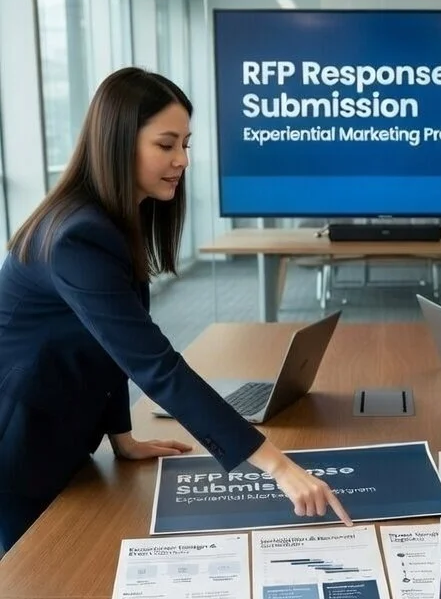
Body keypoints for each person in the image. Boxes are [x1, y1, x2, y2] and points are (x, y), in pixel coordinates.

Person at [0, 67, 350, 552]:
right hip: (19, 449)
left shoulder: (114, 217)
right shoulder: (78, 235)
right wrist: (278, 466)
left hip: (63, 432)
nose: (182, 160)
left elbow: (110, 346)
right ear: (118, 142)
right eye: (166, 145)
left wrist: (122, 436)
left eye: (186, 143)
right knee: (38, 588)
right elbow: (152, 363)